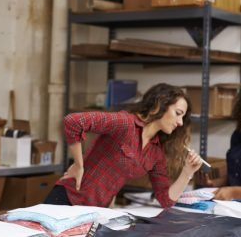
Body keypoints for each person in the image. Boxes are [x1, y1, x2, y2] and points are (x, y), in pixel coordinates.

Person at [44, 83, 203, 208]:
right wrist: (78, 165)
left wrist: (187, 172)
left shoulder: (156, 153)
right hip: (67, 199)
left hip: (94, 212)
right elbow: (73, 122)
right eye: (178, 113)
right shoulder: (125, 123)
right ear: (160, 105)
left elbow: (165, 200)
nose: (180, 123)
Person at [199, 91, 241, 200]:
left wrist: (234, 192)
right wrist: (214, 184)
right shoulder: (237, 135)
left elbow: (234, 190)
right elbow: (235, 176)